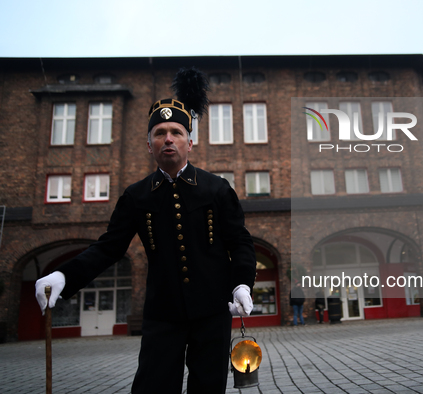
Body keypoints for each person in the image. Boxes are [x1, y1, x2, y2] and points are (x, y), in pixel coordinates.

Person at [34, 67, 257, 393]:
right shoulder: (137, 196)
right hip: (162, 314)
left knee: (207, 388)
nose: (168, 138)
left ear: (190, 143)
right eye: (160, 132)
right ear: (149, 144)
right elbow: (109, 247)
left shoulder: (217, 189)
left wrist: (242, 284)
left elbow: (239, 241)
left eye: (176, 132)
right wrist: (64, 276)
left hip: (212, 312)